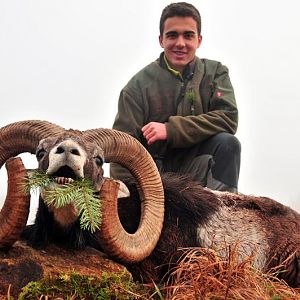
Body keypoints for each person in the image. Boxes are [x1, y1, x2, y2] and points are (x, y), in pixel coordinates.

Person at [110, 2, 241, 192]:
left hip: (197, 169)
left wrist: (171, 130)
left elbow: (228, 118)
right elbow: (121, 149)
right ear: (161, 40)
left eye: (188, 35)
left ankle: (222, 213)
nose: (180, 43)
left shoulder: (215, 73)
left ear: (199, 40)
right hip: (155, 180)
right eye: (172, 35)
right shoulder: (136, 87)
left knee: (228, 144)